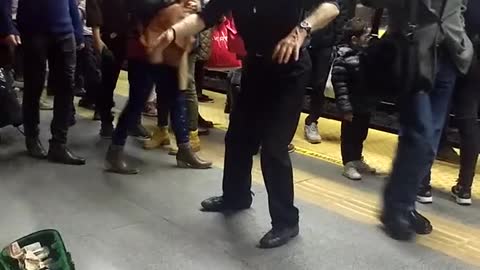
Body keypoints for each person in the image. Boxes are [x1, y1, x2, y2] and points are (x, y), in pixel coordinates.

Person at [151, 0, 340, 248]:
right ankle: (236, 196)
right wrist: (174, 32)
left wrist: (302, 29)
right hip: (256, 67)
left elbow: (331, 6)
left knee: (273, 147)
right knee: (237, 138)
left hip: (289, 72)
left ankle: (286, 222)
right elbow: (205, 17)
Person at [362, 0, 473, 241]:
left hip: (449, 56)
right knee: (418, 134)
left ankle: (403, 204)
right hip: (414, 52)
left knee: (429, 142)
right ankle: (396, 208)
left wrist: (461, 38)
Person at [104, 0, 213, 174]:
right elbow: (136, 6)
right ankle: (115, 149)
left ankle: (184, 149)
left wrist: (195, 5)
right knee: (137, 101)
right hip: (145, 48)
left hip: (170, 47)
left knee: (177, 98)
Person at [0, 0, 87, 165]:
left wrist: (77, 29)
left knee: (67, 88)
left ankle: (59, 144)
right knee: (34, 86)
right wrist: (7, 27)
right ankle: (32, 137)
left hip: (64, 31)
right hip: (33, 32)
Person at [86, 0, 150, 140]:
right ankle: (106, 119)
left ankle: (134, 120)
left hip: (134, 34)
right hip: (112, 31)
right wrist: (97, 37)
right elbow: (94, 4)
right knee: (109, 78)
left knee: (138, 80)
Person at [331, 18, 377, 181]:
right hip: (352, 104)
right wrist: (345, 108)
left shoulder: (365, 54)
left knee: (361, 133)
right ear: (354, 40)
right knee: (350, 135)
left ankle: (357, 159)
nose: (369, 38)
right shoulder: (343, 58)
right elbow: (341, 86)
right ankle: (348, 163)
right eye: (366, 36)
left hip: (364, 104)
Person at [304, 0, 349, 144]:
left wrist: (335, 40)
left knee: (319, 85)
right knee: (295, 82)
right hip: (303, 40)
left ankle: (312, 121)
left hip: (324, 45)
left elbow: (341, 14)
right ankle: (286, 122)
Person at [76, 0, 102, 111]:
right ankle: (94, 99)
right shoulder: (85, 3)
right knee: (93, 70)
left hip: (95, 37)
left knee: (93, 70)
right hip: (88, 37)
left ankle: (91, 98)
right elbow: (78, 17)